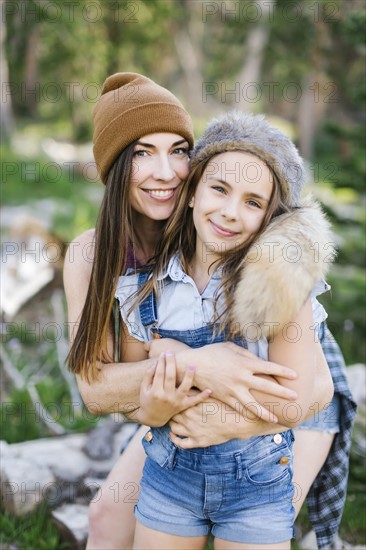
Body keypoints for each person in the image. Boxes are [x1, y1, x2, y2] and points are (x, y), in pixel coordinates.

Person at [63, 73, 356, 549]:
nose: (166, 172)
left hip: (280, 407)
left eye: (179, 149)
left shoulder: (238, 233)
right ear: (115, 165)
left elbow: (312, 390)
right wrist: (198, 364)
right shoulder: (95, 255)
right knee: (106, 520)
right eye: (142, 153)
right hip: (187, 399)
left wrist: (240, 421)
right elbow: (96, 390)